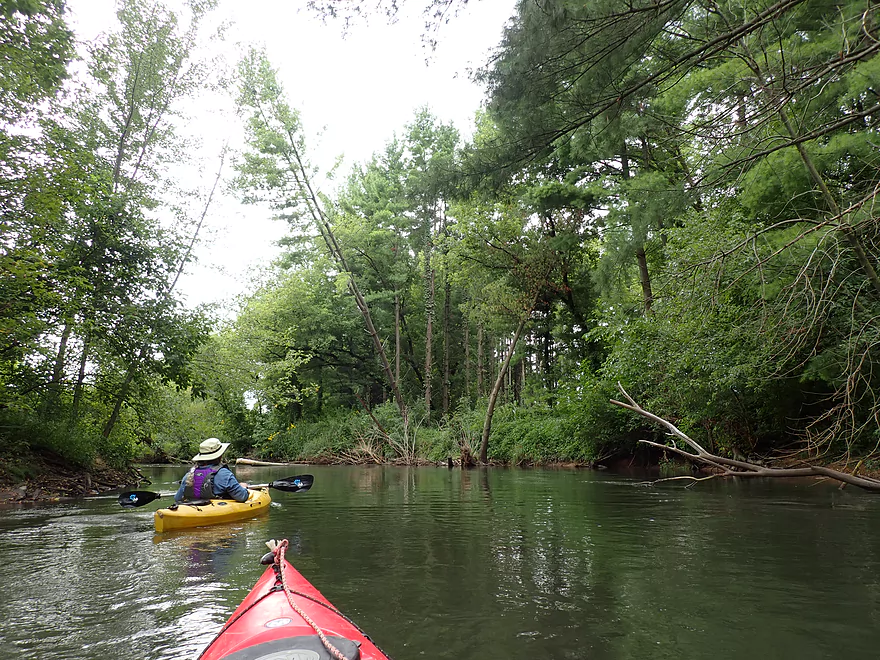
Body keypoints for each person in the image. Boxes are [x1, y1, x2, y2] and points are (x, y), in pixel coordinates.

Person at [174, 438, 250, 503]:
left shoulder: (189, 475)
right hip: (216, 511)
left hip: (194, 509)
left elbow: (177, 499)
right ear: (219, 456)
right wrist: (243, 487)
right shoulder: (225, 474)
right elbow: (242, 497)